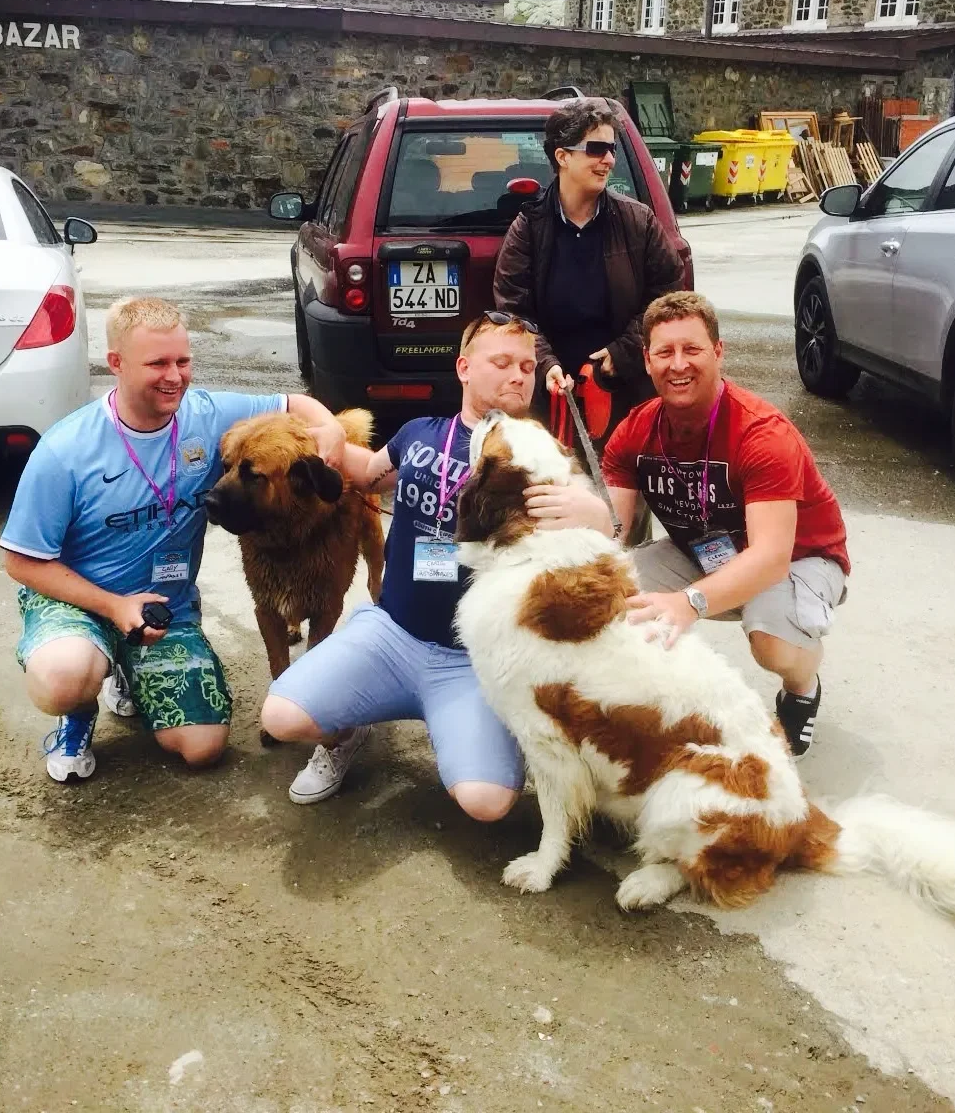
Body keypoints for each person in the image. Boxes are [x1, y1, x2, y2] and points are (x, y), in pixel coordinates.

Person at [0, 297, 346, 783]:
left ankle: (129, 668)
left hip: (165, 609)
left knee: (203, 748)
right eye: (157, 363)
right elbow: (21, 561)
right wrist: (114, 607)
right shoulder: (65, 449)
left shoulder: (205, 414)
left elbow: (295, 404)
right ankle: (78, 711)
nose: (174, 376)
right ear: (116, 363)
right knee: (64, 676)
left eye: (183, 361)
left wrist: (331, 428)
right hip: (80, 602)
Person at [524, 291, 850, 757]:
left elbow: (771, 557)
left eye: (692, 349)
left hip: (797, 559)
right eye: (665, 352)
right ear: (647, 360)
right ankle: (638, 710)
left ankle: (803, 686)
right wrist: (581, 514)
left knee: (772, 643)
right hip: (700, 549)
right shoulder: (635, 431)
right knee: (608, 598)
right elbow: (615, 529)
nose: (678, 364)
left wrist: (689, 602)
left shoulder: (762, 434)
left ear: (718, 352)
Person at [258, 312, 536, 819]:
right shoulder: (420, 433)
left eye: (527, 366)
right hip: (393, 634)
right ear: (464, 368)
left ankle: (482, 732)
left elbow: (584, 536)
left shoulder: (538, 459)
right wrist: (325, 440)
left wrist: (591, 514)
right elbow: (369, 473)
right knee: (281, 716)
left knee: (487, 803)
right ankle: (347, 732)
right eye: (502, 362)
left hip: (472, 662)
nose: (518, 375)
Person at [492, 96, 684, 414]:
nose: (609, 159)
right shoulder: (529, 227)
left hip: (627, 391)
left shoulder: (638, 221)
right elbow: (514, 312)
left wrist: (623, 353)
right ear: (562, 156)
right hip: (552, 396)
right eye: (596, 149)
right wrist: (545, 364)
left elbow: (668, 295)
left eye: (612, 149)